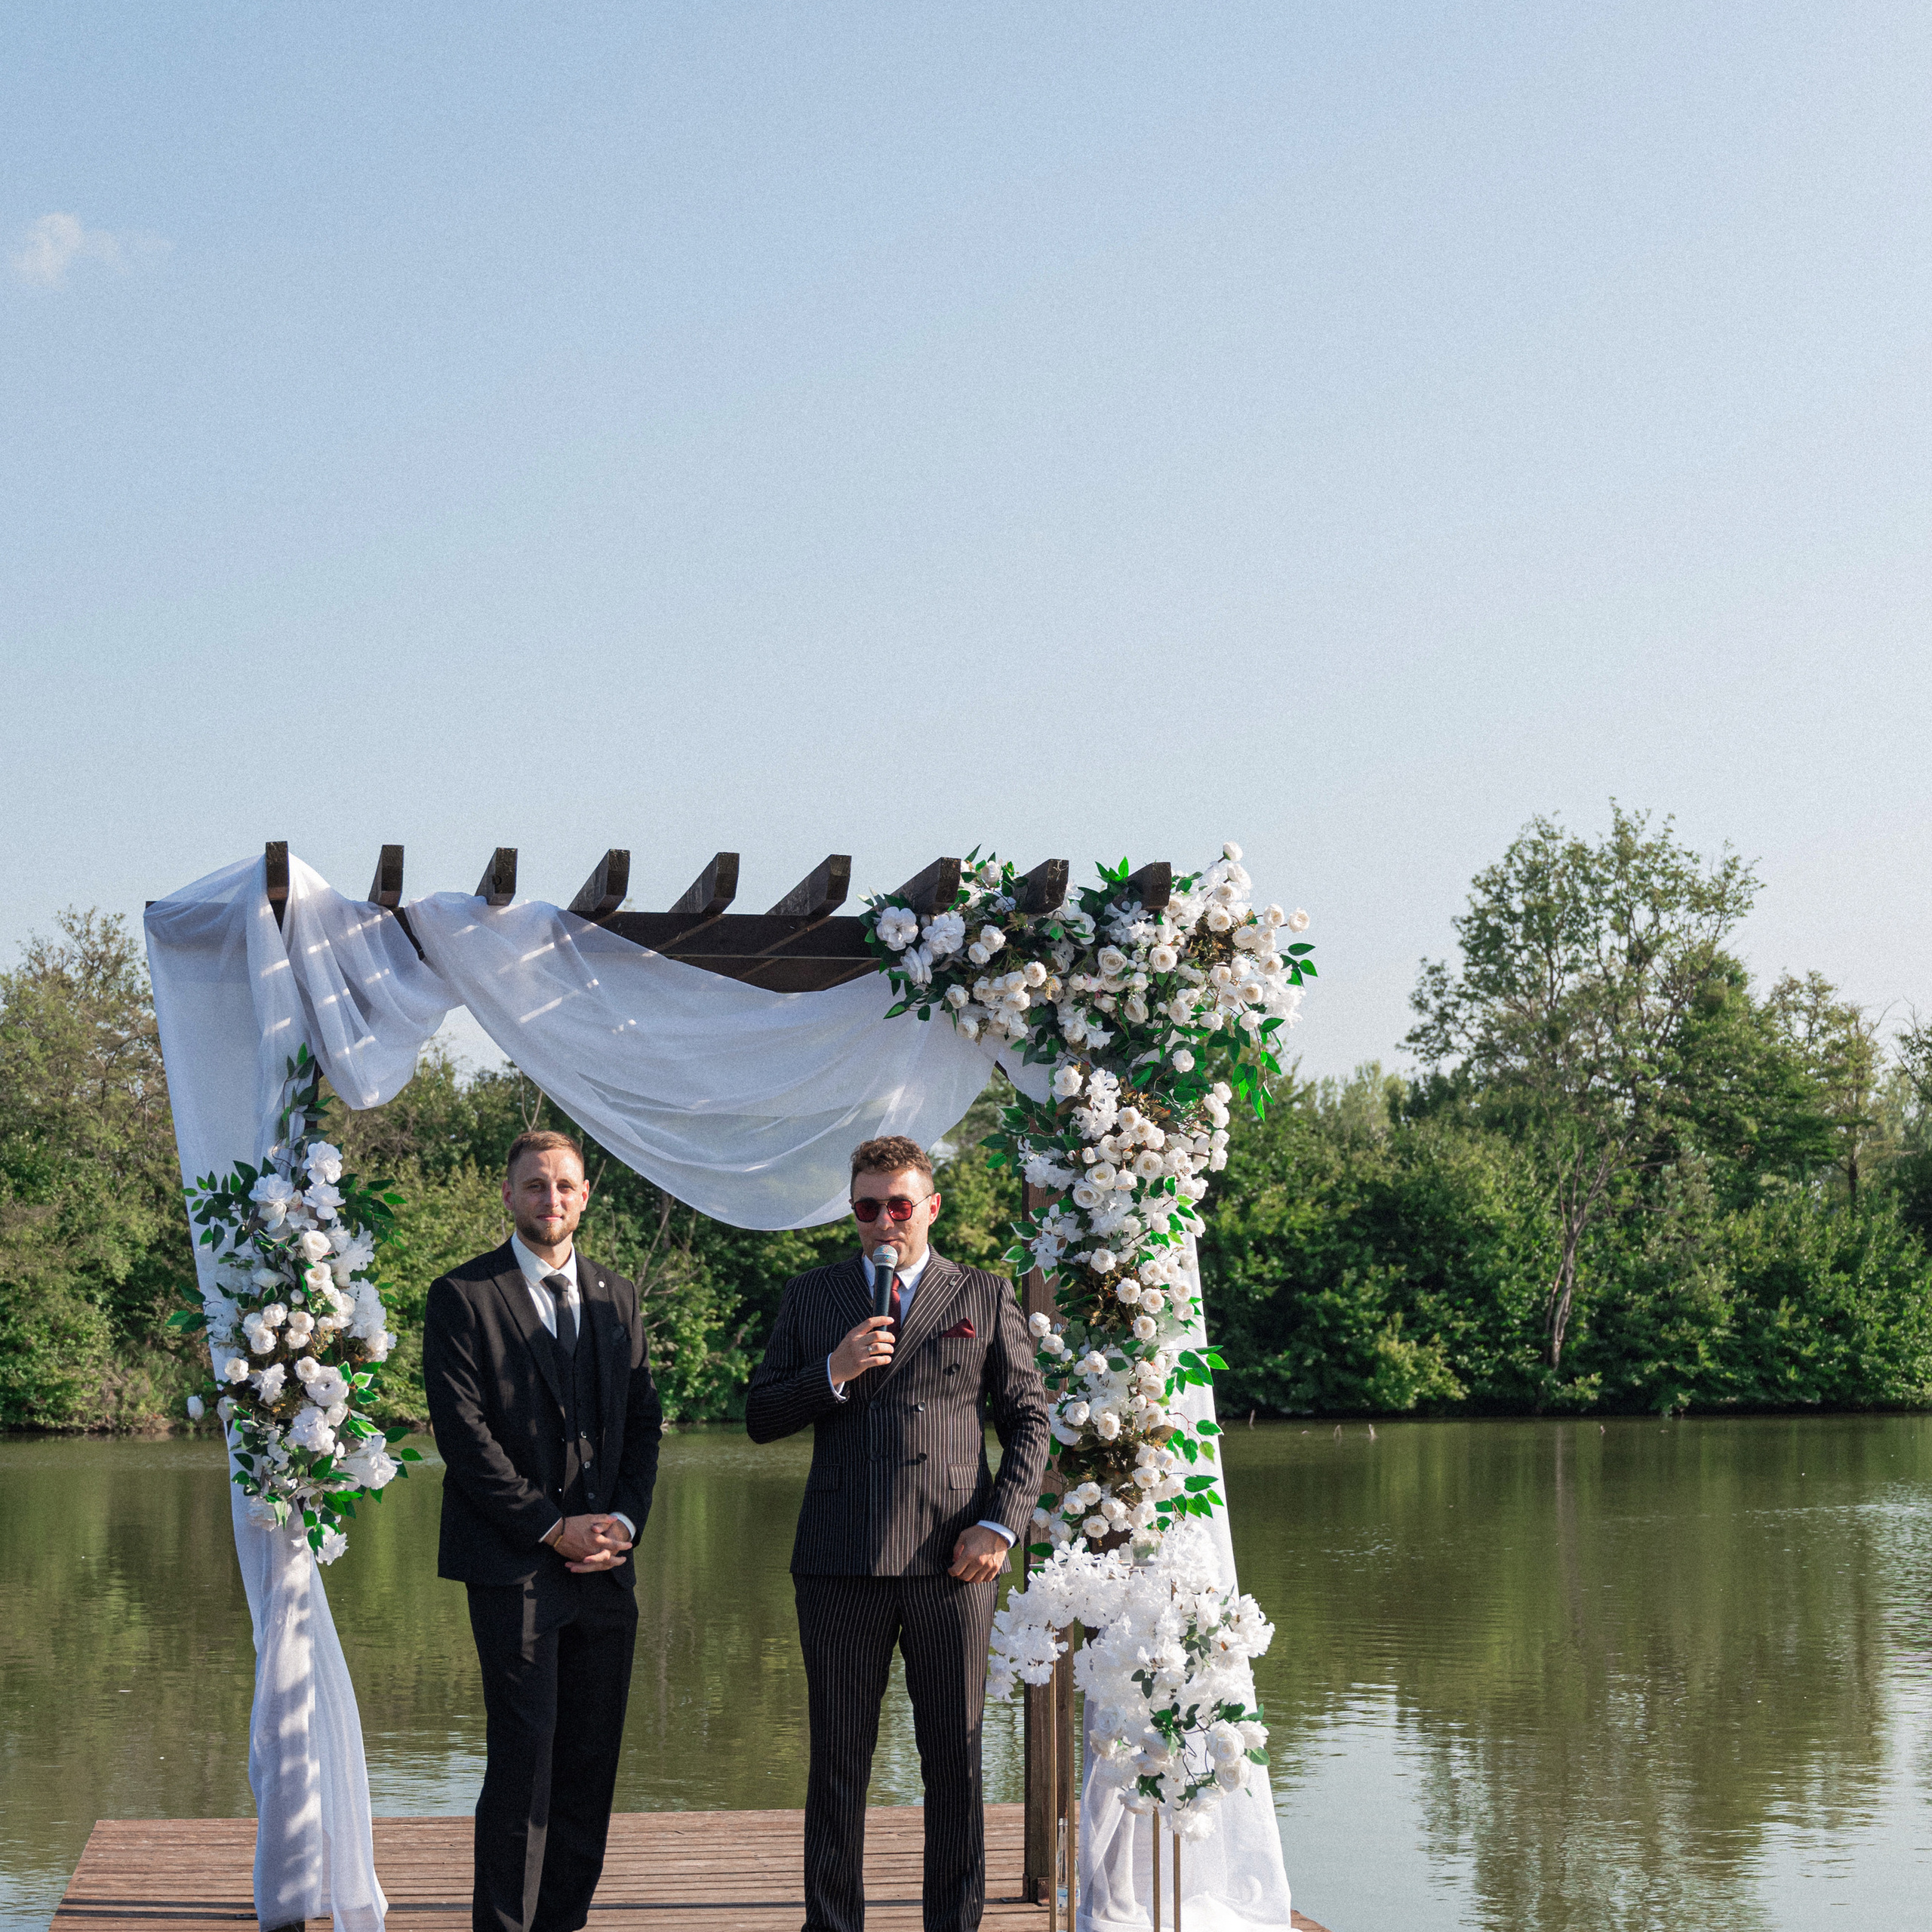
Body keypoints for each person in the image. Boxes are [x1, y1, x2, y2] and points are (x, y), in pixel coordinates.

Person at [746, 1135, 1051, 1932]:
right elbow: (759, 1415)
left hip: (954, 1560)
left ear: (931, 1207)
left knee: (953, 1758)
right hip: (839, 1560)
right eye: (867, 1206)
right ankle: (832, 1923)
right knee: (839, 1762)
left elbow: (1029, 1418)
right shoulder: (812, 1296)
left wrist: (1000, 1525)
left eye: (899, 1205)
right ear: (852, 1211)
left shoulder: (981, 1294)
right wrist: (832, 1371)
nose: (883, 1220)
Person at [423, 1129, 663, 1932]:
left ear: (585, 1195)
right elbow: (462, 1437)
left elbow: (642, 1423)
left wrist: (622, 1522)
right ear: (507, 1194)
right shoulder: (462, 1295)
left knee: (591, 1764)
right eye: (534, 1185)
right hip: (514, 1565)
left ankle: (564, 1923)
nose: (550, 1199)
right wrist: (550, 1526)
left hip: (606, 1564)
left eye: (564, 1185)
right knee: (523, 1760)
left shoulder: (616, 1296)